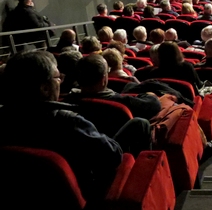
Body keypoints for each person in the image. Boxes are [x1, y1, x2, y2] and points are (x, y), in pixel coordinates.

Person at [0, 51, 123, 201]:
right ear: (44, 88)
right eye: (58, 78)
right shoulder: (68, 122)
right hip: (87, 197)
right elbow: (113, 156)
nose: (61, 82)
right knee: (139, 125)